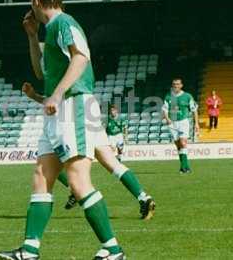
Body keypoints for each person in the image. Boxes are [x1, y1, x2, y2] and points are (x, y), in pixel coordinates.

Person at [0, 0, 125, 260]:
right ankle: (30, 250)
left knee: (79, 181)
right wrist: (32, 36)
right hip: (59, 111)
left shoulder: (64, 23)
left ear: (35, 1)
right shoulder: (51, 30)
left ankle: (113, 249)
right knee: (42, 176)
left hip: (73, 106)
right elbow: (40, 73)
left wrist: (56, 95)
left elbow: (81, 58)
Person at [22, 82, 155, 219]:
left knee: (50, 162)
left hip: (72, 116)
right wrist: (34, 96)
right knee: (114, 164)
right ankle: (143, 197)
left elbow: (57, 100)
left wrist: (36, 96)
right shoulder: (78, 76)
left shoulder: (63, 70)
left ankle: (74, 192)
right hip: (87, 110)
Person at [162, 78, 199, 174]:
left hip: (183, 122)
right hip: (172, 123)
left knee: (183, 143)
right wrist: (167, 119)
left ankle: (184, 167)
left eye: (178, 84)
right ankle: (184, 167)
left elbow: (194, 110)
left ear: (181, 85)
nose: (176, 86)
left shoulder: (187, 96)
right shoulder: (168, 96)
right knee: (178, 145)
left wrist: (197, 124)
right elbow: (165, 110)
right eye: (174, 84)